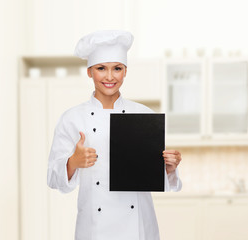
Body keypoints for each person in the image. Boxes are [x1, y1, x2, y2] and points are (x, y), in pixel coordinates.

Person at [47, 30, 182, 240]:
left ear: (125, 71)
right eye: (101, 68)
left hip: (137, 227)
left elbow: (154, 177)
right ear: (90, 71)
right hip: (94, 228)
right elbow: (54, 179)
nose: (110, 77)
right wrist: (72, 162)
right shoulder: (72, 118)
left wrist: (169, 168)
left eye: (117, 68)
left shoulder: (144, 115)